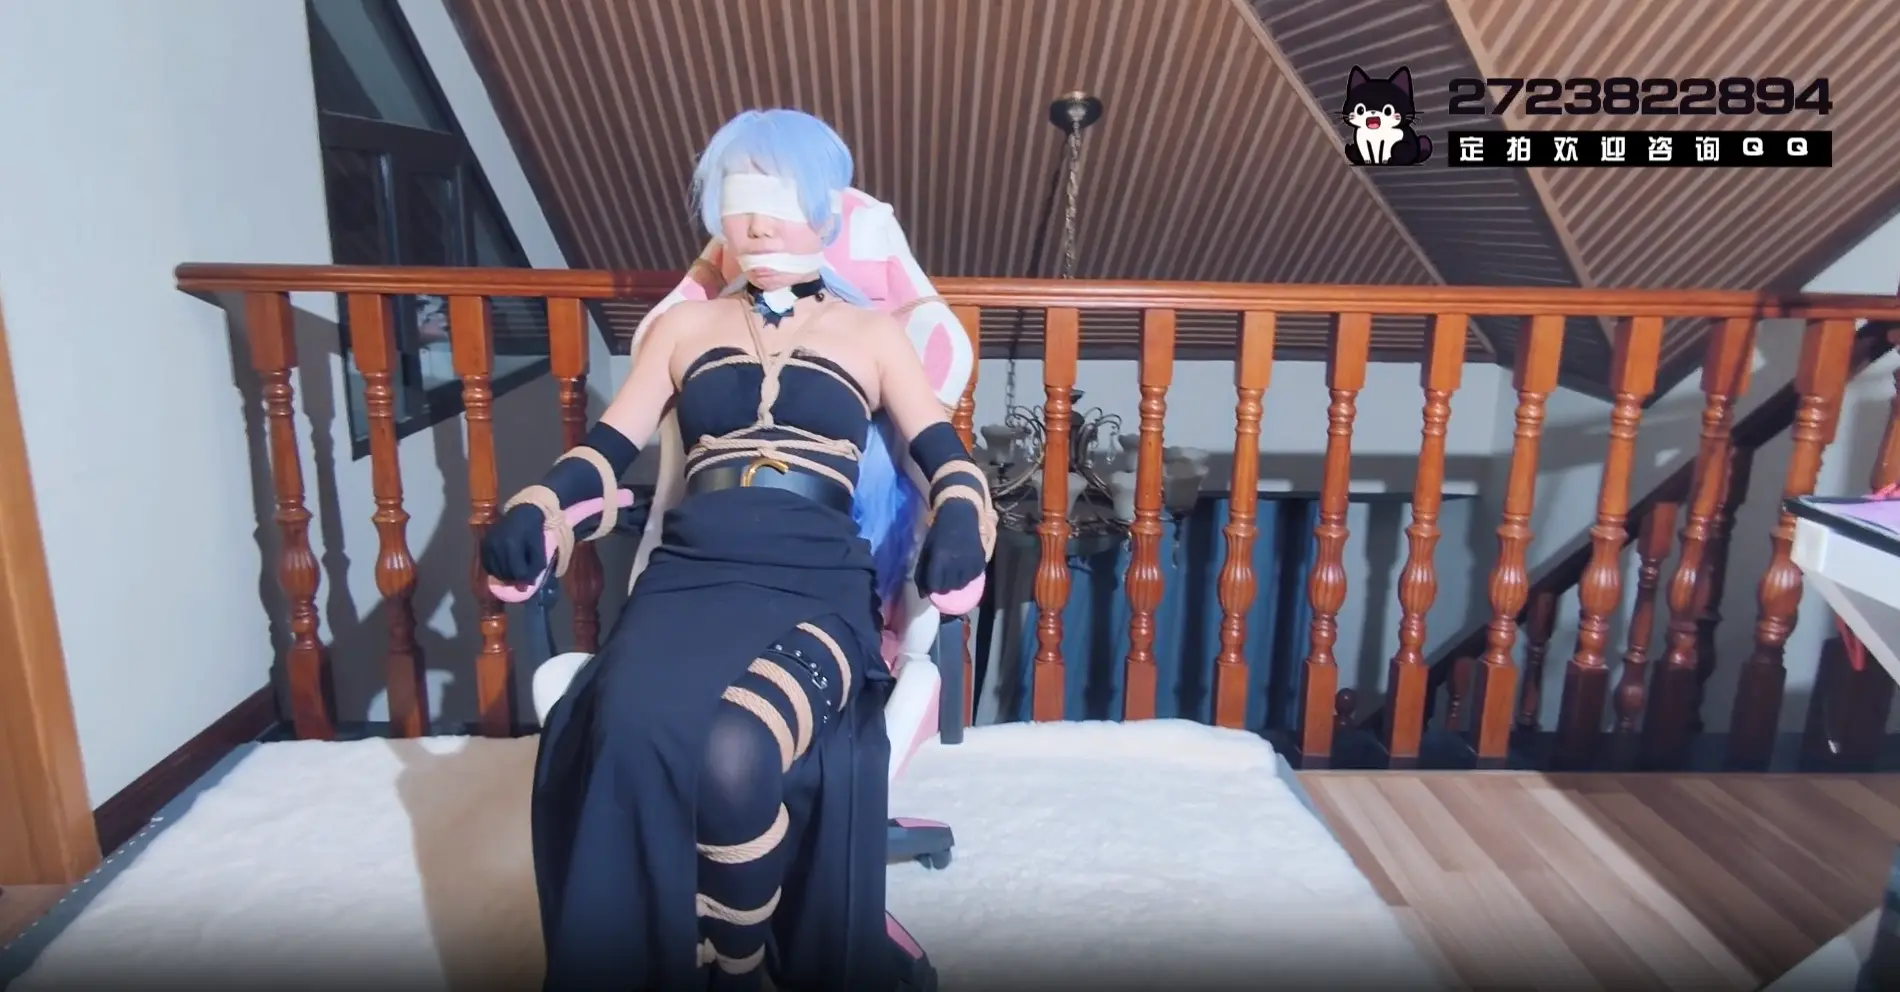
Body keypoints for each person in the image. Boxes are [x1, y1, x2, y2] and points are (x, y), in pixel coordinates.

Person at [480, 108, 995, 991]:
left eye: (776, 199)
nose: (753, 224)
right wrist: (539, 507)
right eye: (736, 199)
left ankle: (740, 964)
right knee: (627, 730)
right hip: (688, 580)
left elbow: (944, 455)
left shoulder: (874, 335)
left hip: (816, 582)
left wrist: (959, 516)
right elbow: (605, 449)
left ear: (825, 210)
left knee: (738, 747)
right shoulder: (684, 332)